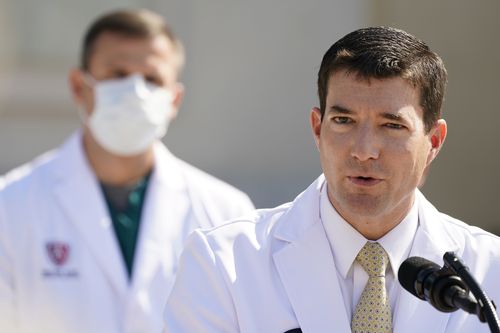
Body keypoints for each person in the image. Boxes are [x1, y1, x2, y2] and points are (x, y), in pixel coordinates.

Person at [163, 27, 500, 332]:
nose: (364, 150)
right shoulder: (224, 262)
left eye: (392, 125)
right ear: (317, 129)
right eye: (343, 120)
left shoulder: (491, 271)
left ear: (434, 142)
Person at [0, 9, 254, 333]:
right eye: (118, 74)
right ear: (79, 87)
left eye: (151, 79)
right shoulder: (10, 205)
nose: (135, 91)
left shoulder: (227, 214)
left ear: (174, 99)